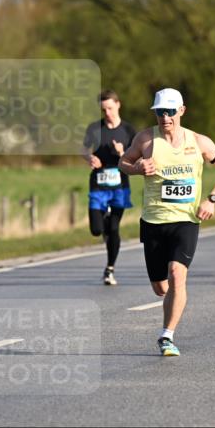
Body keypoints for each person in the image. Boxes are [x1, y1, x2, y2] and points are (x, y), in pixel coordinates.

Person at [119, 88, 215, 356]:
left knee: (177, 275)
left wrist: (212, 199)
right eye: (160, 112)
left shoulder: (198, 141)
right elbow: (123, 161)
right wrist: (136, 169)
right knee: (161, 287)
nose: (165, 118)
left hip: (186, 220)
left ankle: (166, 335)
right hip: (153, 221)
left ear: (181, 111)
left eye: (170, 112)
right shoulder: (146, 139)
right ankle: (172, 301)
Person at [82, 90, 137, 284]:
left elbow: (138, 154)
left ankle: (110, 268)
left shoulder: (129, 131)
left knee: (114, 229)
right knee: (97, 230)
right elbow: (83, 148)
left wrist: (124, 152)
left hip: (120, 186)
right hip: (98, 185)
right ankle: (102, 227)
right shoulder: (94, 129)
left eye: (110, 108)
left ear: (118, 105)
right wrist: (90, 157)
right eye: (103, 109)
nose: (107, 113)